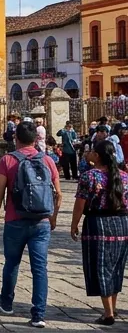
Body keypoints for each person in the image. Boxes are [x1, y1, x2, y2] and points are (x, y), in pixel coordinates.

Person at [0, 119, 62, 328]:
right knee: (40, 268)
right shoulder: (47, 160)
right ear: (36, 139)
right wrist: (53, 217)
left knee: (11, 262)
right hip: (41, 222)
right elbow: (58, 194)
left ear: (16, 138)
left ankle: (6, 302)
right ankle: (38, 314)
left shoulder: (8, 160)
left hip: (15, 220)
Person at [71, 137, 128, 325]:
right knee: (116, 266)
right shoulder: (125, 176)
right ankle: (112, 306)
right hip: (122, 224)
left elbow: (80, 204)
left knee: (101, 266)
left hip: (98, 224)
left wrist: (74, 224)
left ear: (97, 155)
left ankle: (108, 312)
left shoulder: (90, 176)